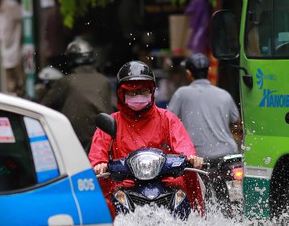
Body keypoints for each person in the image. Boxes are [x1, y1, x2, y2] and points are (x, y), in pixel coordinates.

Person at [89, 60, 205, 215]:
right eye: (132, 92)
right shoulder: (112, 122)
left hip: (167, 185)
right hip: (124, 188)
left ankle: (198, 218)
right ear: (121, 94)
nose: (138, 96)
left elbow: (183, 145)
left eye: (144, 91)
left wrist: (191, 158)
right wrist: (100, 165)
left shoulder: (167, 119)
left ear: (152, 92)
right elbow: (97, 156)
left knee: (192, 175)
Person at [167, 53, 241, 208]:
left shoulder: (181, 94)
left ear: (188, 73)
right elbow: (236, 121)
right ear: (208, 70)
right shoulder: (224, 94)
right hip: (228, 154)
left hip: (198, 158)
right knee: (234, 202)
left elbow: (168, 122)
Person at [41, 38, 116, 152]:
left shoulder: (67, 81)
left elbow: (44, 107)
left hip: (73, 140)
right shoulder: (103, 81)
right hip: (102, 141)